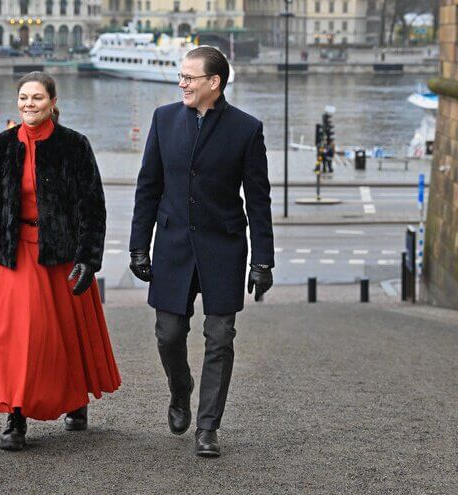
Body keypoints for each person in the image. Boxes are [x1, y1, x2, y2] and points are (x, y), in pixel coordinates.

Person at [129, 47, 275, 457]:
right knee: (168, 334)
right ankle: (181, 389)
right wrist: (139, 245)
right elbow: (148, 187)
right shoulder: (163, 119)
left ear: (215, 82)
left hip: (224, 247)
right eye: (180, 76)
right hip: (173, 245)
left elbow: (258, 200)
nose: (182, 84)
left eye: (189, 78)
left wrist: (263, 259)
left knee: (220, 338)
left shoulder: (246, 129)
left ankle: (208, 427)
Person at [0, 71, 121, 451]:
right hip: (15, 252)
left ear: (52, 102)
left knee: (65, 333)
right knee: (19, 336)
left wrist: (89, 258)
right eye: (23, 97)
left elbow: (92, 206)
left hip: (61, 253)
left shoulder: (74, 145)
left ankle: (75, 399)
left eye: (37, 98)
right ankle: (16, 414)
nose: (28, 104)